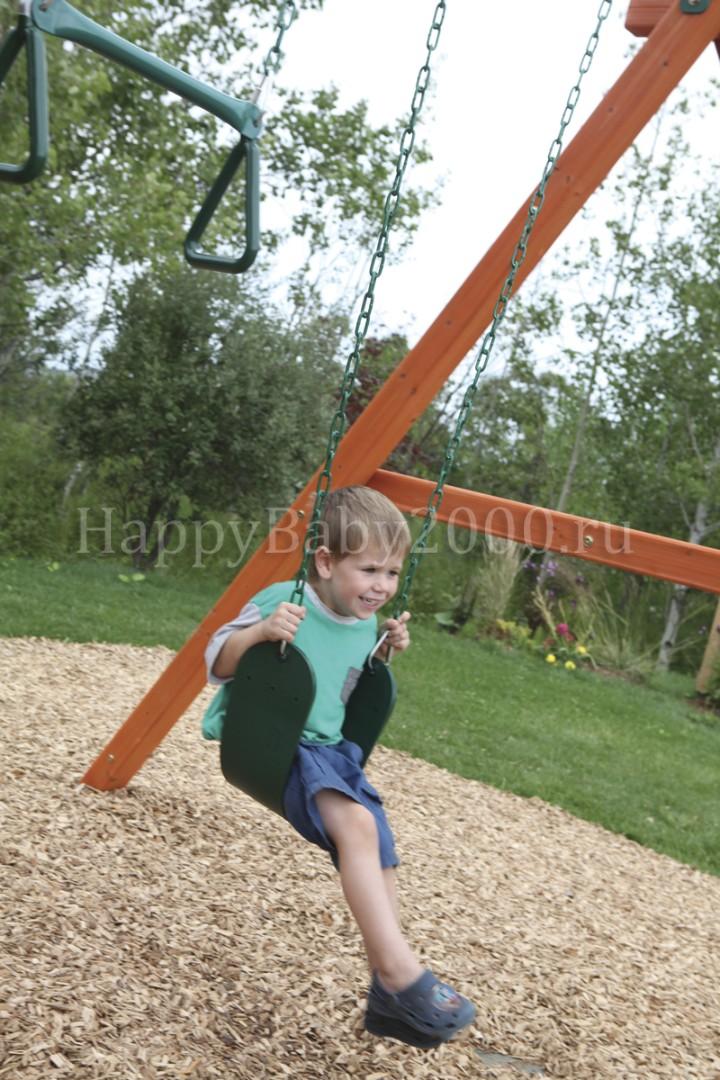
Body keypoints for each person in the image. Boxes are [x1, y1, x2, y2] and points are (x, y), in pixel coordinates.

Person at [203, 486, 476, 1048]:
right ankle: (401, 974)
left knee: (377, 840)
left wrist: (382, 652)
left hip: (329, 752)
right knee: (354, 827)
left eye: (392, 573)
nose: (382, 586)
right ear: (325, 562)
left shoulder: (364, 623)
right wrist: (259, 634)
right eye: (369, 569)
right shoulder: (286, 601)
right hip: (277, 745)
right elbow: (215, 661)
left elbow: (344, 683)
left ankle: (388, 993)